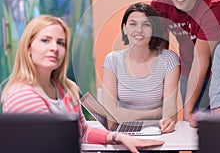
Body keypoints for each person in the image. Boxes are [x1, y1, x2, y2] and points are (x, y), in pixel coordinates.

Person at [1, 15, 164, 153]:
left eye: (61, 43)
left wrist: (117, 137)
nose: (54, 48)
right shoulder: (22, 96)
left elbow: (82, 131)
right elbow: (52, 147)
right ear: (28, 48)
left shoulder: (64, 89)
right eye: (45, 40)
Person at [151, 0, 220, 121]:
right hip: (188, 74)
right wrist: (160, 107)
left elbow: (201, 59)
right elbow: (161, 56)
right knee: (193, 133)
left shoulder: (215, 3)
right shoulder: (159, 6)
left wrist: (187, 111)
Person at [102, 2, 180, 134]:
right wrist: (155, 113)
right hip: (123, 136)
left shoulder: (169, 59)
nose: (139, 30)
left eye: (146, 24)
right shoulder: (113, 60)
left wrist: (123, 114)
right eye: (133, 24)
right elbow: (110, 116)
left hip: (159, 133)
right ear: (124, 29)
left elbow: (170, 114)